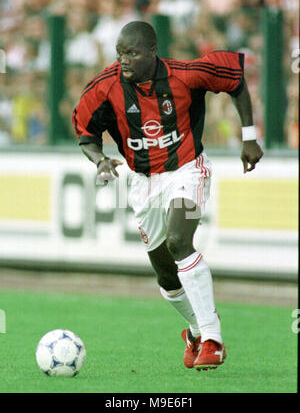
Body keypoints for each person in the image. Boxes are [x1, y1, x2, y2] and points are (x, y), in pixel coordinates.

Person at [72, 21, 263, 370]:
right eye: (119, 53)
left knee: (179, 241)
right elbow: (85, 132)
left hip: (187, 170)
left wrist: (249, 136)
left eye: (132, 53)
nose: (124, 60)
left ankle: (212, 339)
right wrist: (99, 160)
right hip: (143, 183)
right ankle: (194, 331)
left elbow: (234, 78)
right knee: (166, 276)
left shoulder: (185, 75)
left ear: (152, 52)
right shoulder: (105, 86)